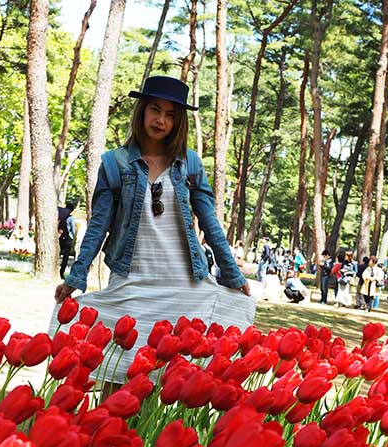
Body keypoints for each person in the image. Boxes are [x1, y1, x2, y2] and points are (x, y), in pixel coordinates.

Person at [53, 75, 253, 385]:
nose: (161, 120)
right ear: (142, 111)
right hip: (132, 280)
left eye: (171, 114)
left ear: (179, 122)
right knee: (118, 368)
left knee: (167, 374)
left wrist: (233, 273)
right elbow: (98, 227)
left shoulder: (190, 164)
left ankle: (146, 435)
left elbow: (210, 224)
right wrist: (76, 276)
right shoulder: (115, 164)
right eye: (155, 110)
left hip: (182, 283)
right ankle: (107, 431)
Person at [58, 201, 77, 279]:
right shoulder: (71, 218)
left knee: (58, 253)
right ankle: (61, 272)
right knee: (65, 257)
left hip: (61, 237)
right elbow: (73, 230)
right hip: (68, 238)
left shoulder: (61, 217)